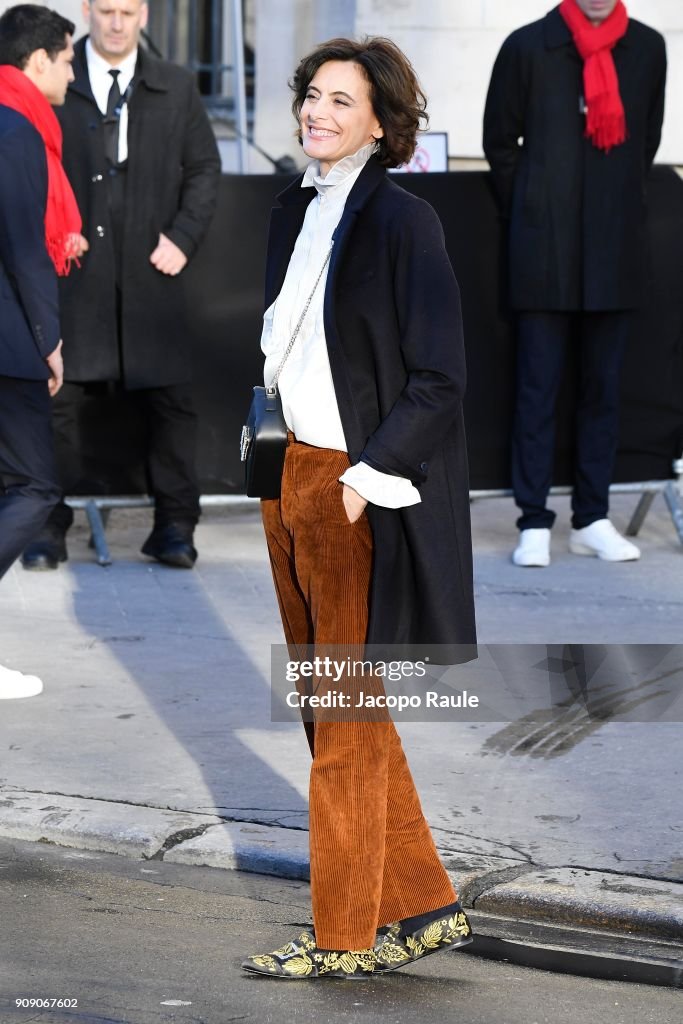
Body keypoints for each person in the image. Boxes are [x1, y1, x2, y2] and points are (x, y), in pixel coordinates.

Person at [241, 37, 476, 980]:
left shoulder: (404, 221)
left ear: (381, 121)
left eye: (342, 101)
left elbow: (441, 377)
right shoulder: (293, 206)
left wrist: (359, 480)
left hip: (350, 484)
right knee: (335, 708)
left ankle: (343, 933)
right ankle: (420, 904)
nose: (318, 112)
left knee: (343, 717)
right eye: (312, 96)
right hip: (285, 473)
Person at [21, 0, 221, 572]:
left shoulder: (176, 86)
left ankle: (175, 527)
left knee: (172, 402)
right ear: (87, 10)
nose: (115, 22)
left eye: (127, 11)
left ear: (146, 15)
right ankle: (45, 526)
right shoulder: (57, 77)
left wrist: (182, 237)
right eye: (105, 9)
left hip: (153, 274)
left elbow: (204, 168)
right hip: (71, 273)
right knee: (56, 401)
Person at [483, 0, 666, 567]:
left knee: (602, 391)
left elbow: (646, 143)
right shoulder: (527, 46)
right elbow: (499, 142)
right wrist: (538, 206)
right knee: (536, 389)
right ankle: (533, 520)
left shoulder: (647, 48)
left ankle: (592, 516)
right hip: (544, 249)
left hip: (614, 247)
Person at [0, 4, 80, 699]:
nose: (72, 71)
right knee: (34, 488)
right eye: (67, 58)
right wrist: (48, 339)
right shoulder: (18, 127)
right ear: (38, 62)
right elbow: (27, 248)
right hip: (6, 345)